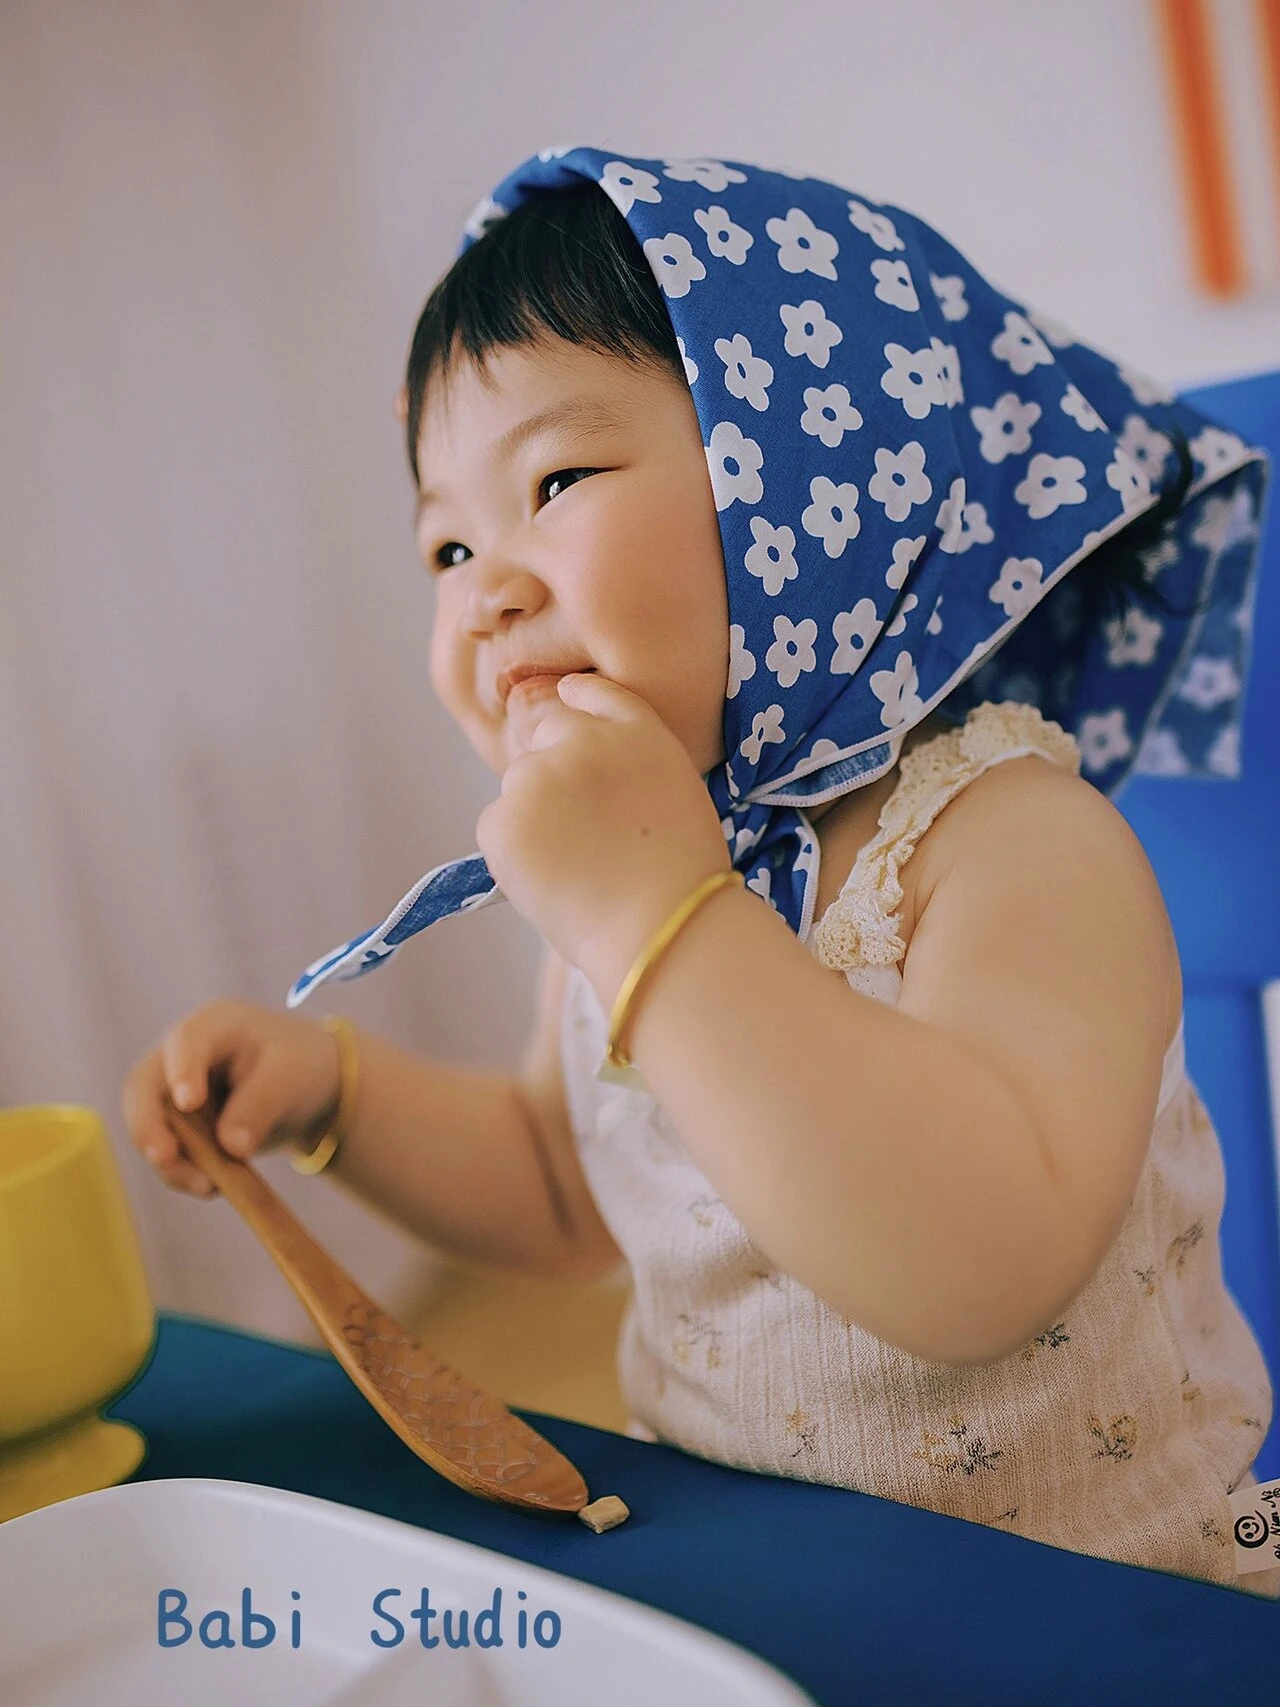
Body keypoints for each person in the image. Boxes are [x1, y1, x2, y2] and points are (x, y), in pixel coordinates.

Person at [124, 147, 1277, 1595]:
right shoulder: (646, 874)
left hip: (1109, 1603)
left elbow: (991, 1255)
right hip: (753, 1598)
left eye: (555, 478)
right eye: (447, 540)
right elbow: (561, 1187)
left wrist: (654, 912)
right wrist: (341, 1096)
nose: (485, 586)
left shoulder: (1010, 839)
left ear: (805, 486)